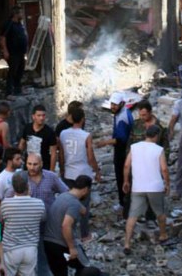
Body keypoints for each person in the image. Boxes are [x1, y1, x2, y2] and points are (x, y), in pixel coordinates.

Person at [122, 125, 171, 254]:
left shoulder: (134, 147)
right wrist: (167, 184)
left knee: (133, 215)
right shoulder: (159, 149)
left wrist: (126, 181)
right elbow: (164, 169)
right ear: (156, 136)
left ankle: (127, 243)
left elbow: (127, 165)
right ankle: (163, 235)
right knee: (160, 212)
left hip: (138, 186)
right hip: (155, 187)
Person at [59, 109, 100, 241]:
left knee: (68, 202)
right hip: (83, 173)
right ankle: (84, 234)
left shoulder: (63, 133)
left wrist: (62, 168)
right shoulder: (86, 135)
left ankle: (67, 231)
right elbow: (90, 156)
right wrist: (97, 170)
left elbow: (61, 153)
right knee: (84, 205)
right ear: (82, 119)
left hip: (68, 172)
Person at [26, 152, 68, 276]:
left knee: (53, 253)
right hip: (31, 225)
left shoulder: (51, 177)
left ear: (41, 164)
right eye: (29, 164)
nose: (32, 167)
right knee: (37, 256)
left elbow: (65, 192)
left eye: (35, 164)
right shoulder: (22, 178)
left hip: (50, 223)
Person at [43, 176, 94, 276]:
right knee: (86, 268)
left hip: (49, 245)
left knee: (60, 273)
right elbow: (66, 226)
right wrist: (72, 248)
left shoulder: (63, 196)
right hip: (62, 246)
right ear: (86, 190)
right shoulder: (74, 203)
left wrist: (80, 208)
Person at [0, 172, 46, 276]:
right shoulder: (39, 203)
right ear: (27, 185)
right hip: (30, 249)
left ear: (13, 187)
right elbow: (42, 219)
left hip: (10, 249)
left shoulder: (5, 204)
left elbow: (1, 221)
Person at [96, 92, 133, 211]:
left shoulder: (122, 117)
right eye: (112, 104)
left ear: (122, 103)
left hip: (123, 151)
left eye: (115, 105)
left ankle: (124, 204)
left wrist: (104, 143)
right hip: (124, 149)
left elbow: (120, 140)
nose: (112, 107)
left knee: (122, 176)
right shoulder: (120, 112)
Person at [19, 104, 57, 172]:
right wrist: (19, 157)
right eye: (39, 115)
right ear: (33, 116)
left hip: (43, 167)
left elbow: (53, 153)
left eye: (43, 115)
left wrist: (52, 171)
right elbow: (22, 143)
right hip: (28, 166)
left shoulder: (49, 132)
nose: (41, 118)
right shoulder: (27, 128)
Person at [1, 5, 29, 96]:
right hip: (13, 53)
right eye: (20, 13)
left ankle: (18, 90)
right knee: (12, 72)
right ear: (15, 14)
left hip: (21, 53)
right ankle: (8, 93)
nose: (22, 14)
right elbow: (2, 38)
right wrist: (5, 51)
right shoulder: (9, 24)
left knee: (20, 71)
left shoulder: (20, 23)